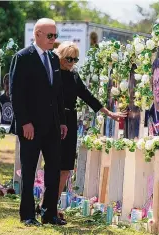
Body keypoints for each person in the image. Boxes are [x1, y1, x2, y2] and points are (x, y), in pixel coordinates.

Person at [52, 41, 127, 221]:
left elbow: (89, 98)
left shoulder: (75, 77)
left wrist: (110, 113)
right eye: (68, 58)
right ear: (60, 56)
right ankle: (46, 206)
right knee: (53, 166)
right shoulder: (52, 74)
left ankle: (51, 205)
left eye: (75, 59)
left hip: (69, 122)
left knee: (66, 168)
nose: (71, 62)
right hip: (53, 121)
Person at [9, 18, 68, 226]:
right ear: (37, 35)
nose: (54, 39)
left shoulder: (53, 59)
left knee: (53, 170)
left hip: (52, 126)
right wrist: (24, 122)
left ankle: (49, 213)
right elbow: (16, 93)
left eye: (55, 35)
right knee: (28, 171)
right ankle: (27, 215)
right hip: (30, 128)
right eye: (50, 35)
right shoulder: (23, 57)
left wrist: (61, 121)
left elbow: (57, 94)